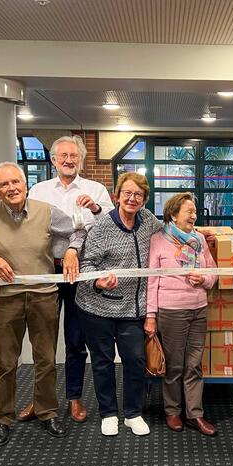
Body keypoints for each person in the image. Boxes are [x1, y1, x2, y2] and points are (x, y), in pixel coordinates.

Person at [0, 162, 85, 447]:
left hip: (44, 295)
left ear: (25, 184)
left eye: (15, 182)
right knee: (6, 362)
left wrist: (72, 250)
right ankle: (3, 418)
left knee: (46, 359)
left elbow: (78, 231)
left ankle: (46, 412)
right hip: (7, 298)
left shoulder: (45, 211)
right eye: (4, 185)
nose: (11, 188)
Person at [17, 135, 113, 424]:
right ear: (53, 160)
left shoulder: (95, 189)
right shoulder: (38, 190)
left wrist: (95, 209)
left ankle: (74, 399)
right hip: (46, 269)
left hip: (81, 273)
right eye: (64, 156)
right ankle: (40, 399)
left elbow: (112, 224)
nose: (69, 160)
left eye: (74, 156)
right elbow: (22, 224)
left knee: (75, 340)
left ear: (80, 160)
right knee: (42, 341)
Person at [76, 172, 162, 437]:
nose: (132, 199)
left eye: (138, 194)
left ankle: (133, 413)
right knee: (102, 361)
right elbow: (86, 264)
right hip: (97, 307)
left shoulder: (148, 221)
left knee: (135, 360)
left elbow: (169, 234)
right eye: (127, 193)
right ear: (117, 196)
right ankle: (109, 413)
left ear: (145, 199)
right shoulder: (102, 227)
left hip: (133, 309)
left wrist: (199, 235)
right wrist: (98, 281)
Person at [146, 192, 218, 436]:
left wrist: (205, 278)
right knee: (175, 365)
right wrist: (151, 316)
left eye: (194, 211)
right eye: (188, 211)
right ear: (173, 215)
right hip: (171, 310)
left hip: (198, 308)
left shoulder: (198, 238)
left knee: (194, 365)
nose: (194, 215)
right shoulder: (158, 240)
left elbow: (212, 271)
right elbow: (151, 281)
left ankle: (195, 414)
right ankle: (173, 411)